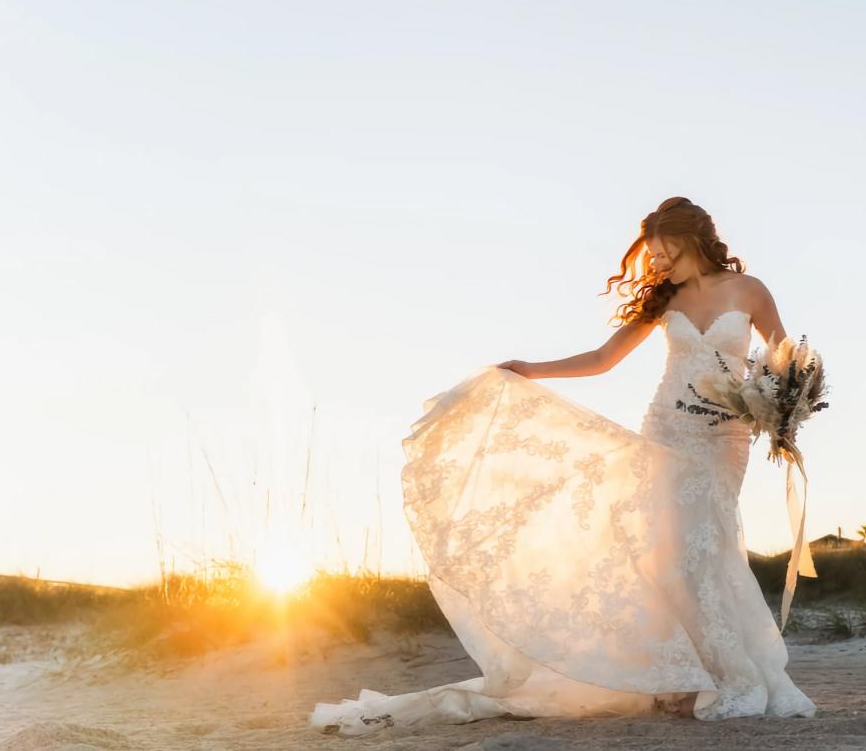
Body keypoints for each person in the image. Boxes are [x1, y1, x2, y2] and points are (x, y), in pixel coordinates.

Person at [310, 197, 816, 734]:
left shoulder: (749, 290)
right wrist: (530, 370)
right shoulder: (663, 299)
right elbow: (602, 359)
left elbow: (785, 360)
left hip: (724, 439)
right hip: (666, 430)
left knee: (703, 553)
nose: (659, 263)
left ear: (692, 239)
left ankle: (727, 674)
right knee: (671, 556)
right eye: (653, 256)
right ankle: (686, 678)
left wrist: (781, 411)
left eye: (665, 251)